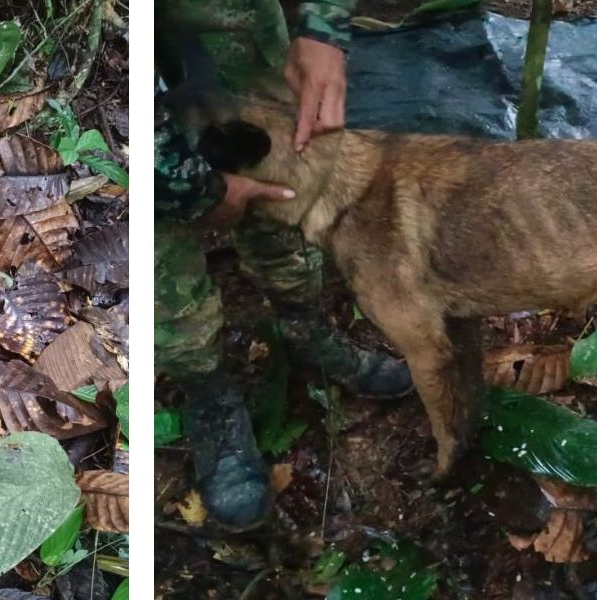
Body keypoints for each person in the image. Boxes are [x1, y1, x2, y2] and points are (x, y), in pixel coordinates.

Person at [154, 0, 413, 529]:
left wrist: (325, 26)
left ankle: (305, 327)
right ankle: (209, 392)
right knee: (162, 258)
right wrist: (197, 190)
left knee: (285, 173)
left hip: (231, 22)